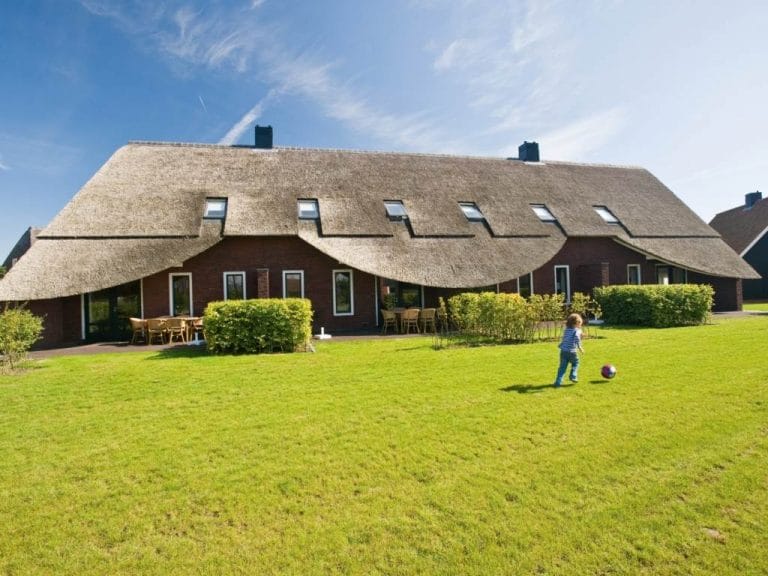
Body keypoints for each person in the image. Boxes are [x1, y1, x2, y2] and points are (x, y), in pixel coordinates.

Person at [553, 313, 584, 387]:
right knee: (576, 363)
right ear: (577, 323)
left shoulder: (566, 330)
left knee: (562, 368)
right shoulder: (577, 330)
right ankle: (573, 376)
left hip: (563, 351)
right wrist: (580, 347)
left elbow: (565, 338)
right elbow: (577, 338)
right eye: (580, 323)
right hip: (572, 352)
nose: (580, 325)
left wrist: (561, 345)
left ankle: (558, 382)